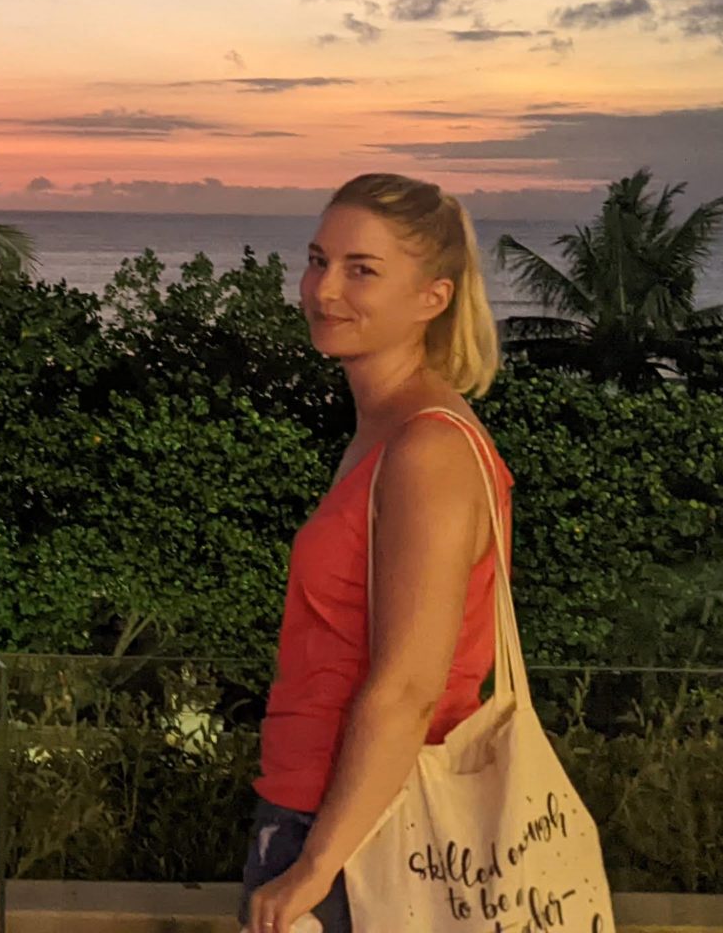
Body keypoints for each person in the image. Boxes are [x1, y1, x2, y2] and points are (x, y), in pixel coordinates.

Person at [241, 173, 514, 933]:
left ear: (432, 297)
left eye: (362, 270)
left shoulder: (428, 450)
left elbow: (408, 687)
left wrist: (315, 865)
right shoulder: (385, 431)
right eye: (318, 260)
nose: (324, 289)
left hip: (359, 831)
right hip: (330, 811)